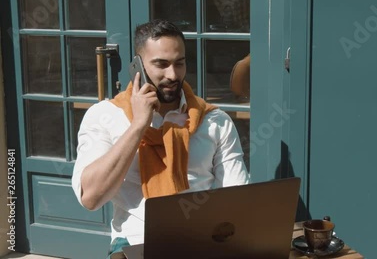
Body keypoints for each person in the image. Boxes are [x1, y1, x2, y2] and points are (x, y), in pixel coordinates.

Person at [71, 19, 250, 258]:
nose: (173, 75)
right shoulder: (105, 116)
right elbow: (91, 198)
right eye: (161, 64)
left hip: (202, 241)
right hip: (135, 243)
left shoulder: (215, 121)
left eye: (179, 63)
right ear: (138, 66)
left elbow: (236, 196)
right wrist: (138, 126)